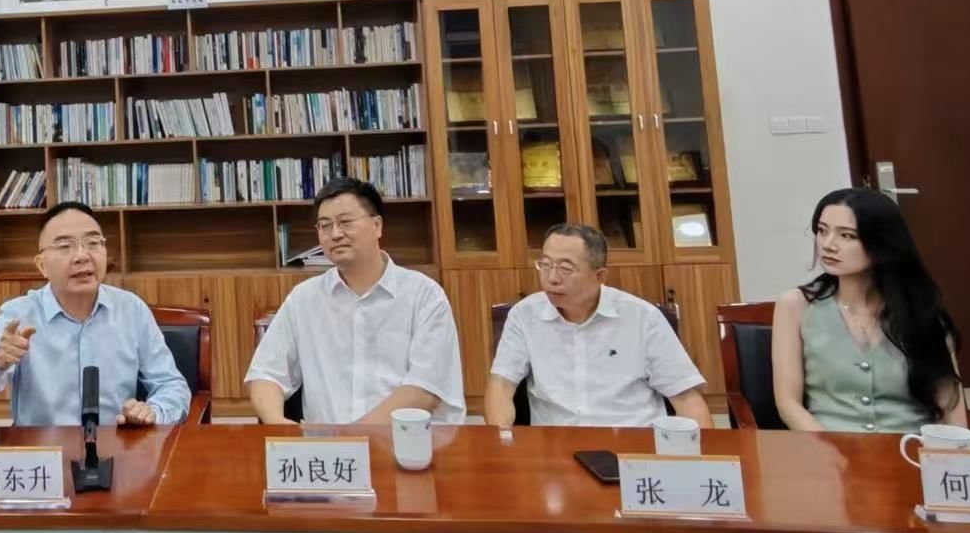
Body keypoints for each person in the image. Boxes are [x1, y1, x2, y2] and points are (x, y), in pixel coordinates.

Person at [246, 177, 465, 425]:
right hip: (328, 446)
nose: (335, 234)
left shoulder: (424, 296)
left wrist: (350, 438)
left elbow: (424, 390)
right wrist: (278, 424)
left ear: (377, 226)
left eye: (346, 222)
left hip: (408, 441)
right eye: (325, 226)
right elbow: (265, 373)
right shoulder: (304, 299)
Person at [0, 202, 190, 426]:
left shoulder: (132, 309)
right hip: (44, 449)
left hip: (116, 443)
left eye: (93, 243)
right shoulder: (19, 314)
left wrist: (154, 412)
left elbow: (172, 385)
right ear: (42, 265)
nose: (82, 256)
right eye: (65, 246)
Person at [772, 188, 966, 433]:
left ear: (882, 243)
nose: (828, 245)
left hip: (910, 446)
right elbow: (788, 404)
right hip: (829, 448)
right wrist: (831, 449)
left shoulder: (921, 310)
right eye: (822, 231)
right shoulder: (795, 305)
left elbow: (951, 409)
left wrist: (956, 450)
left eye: (847, 235)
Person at [487, 223, 712, 428]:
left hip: (633, 444)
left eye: (565, 268)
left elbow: (686, 399)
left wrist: (701, 455)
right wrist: (501, 441)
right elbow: (501, 386)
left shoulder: (643, 318)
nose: (552, 278)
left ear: (600, 276)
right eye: (545, 265)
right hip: (554, 446)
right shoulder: (524, 315)